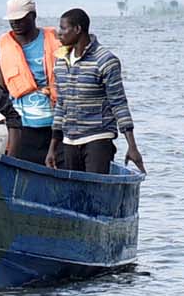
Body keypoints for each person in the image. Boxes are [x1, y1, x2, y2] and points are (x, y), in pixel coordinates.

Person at [47, 9, 145, 175]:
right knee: (73, 195)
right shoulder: (61, 63)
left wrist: (132, 146)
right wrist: (53, 148)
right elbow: (61, 105)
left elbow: (118, 103)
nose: (59, 33)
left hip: (98, 139)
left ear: (78, 29)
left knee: (95, 192)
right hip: (69, 140)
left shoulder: (105, 61)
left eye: (63, 28)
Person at [0, 0, 58, 163]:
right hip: (22, 128)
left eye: (20, 19)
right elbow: (0, 91)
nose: (15, 24)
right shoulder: (3, 50)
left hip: (54, 126)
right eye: (12, 20)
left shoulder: (54, 41)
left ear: (33, 16)